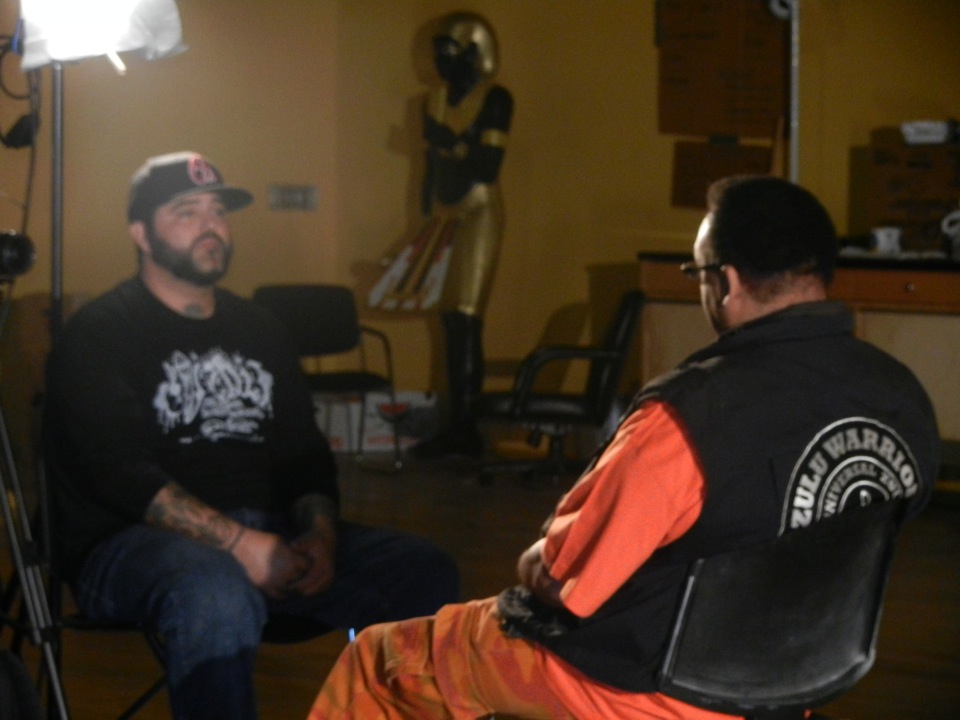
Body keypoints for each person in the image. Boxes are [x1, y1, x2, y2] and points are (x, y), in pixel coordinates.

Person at [308, 175, 941, 719]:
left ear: (724, 281)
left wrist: (538, 558)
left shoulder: (691, 414)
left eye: (698, 274)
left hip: (646, 687)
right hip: (793, 683)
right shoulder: (901, 397)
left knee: (379, 662)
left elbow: (569, 580)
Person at [42, 151, 460, 720]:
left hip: (268, 534)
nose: (211, 225)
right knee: (215, 589)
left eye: (218, 211)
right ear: (140, 233)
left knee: (422, 570)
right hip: (130, 544)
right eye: (187, 211)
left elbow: (303, 452)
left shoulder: (259, 327)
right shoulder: (100, 333)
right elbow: (119, 474)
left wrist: (320, 536)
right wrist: (241, 545)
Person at [369, 12, 513, 457]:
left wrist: (451, 142)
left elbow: (487, 166)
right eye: (436, 55)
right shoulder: (433, 100)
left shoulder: (495, 98)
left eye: (447, 53)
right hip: (446, 215)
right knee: (449, 322)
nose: (439, 63)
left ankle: (466, 427)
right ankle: (455, 423)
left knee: (466, 320)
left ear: (473, 54)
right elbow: (431, 170)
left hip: (479, 213)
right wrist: (424, 224)